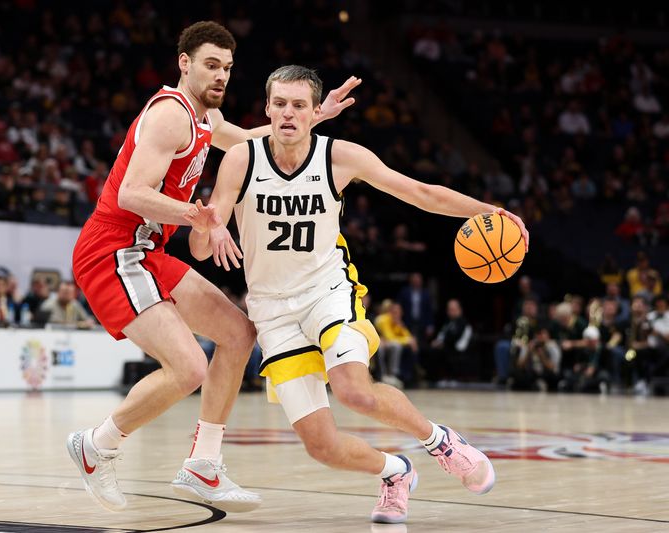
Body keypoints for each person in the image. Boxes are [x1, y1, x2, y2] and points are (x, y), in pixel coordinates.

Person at [188, 65, 529, 524]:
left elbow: (420, 192)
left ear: (314, 113)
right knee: (321, 445)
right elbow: (201, 246)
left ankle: (441, 442)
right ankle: (396, 473)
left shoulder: (341, 157)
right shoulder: (240, 160)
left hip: (326, 290)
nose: (289, 114)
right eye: (280, 104)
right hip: (271, 309)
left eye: (299, 105)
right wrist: (207, 227)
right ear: (267, 109)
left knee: (353, 389)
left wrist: (492, 210)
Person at [66, 22, 360, 514]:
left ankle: (203, 463)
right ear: (184, 64)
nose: (220, 74)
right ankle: (97, 446)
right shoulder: (170, 115)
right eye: (210, 64)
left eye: (226, 67)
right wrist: (195, 216)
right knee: (188, 367)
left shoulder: (207, 118)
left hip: (147, 251)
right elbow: (130, 194)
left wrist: (313, 117)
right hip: (113, 250)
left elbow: (250, 140)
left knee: (238, 334)